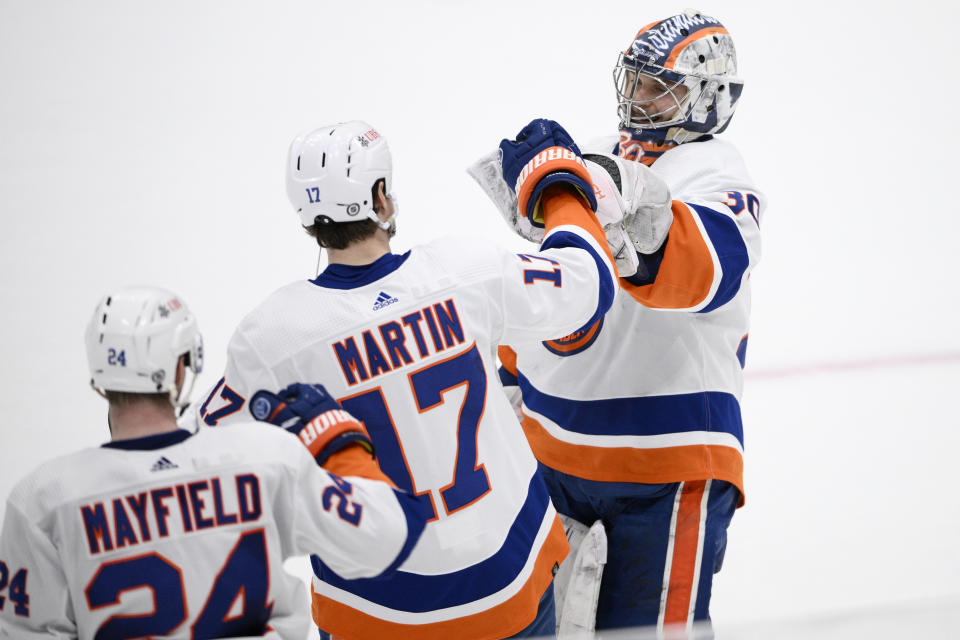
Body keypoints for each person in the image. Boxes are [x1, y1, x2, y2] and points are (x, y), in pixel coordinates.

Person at [189, 118, 620, 638]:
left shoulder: (274, 338)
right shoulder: (466, 271)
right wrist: (555, 186)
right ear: (381, 198)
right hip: (506, 584)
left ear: (307, 218)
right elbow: (586, 285)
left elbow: (203, 461)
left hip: (375, 612)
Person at [494, 10, 767, 636]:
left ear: (707, 97)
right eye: (636, 83)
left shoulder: (719, 174)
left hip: (663, 470)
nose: (639, 99)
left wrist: (590, 195)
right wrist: (511, 385)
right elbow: (552, 285)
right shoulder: (605, 167)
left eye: (658, 87)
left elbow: (695, 268)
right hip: (555, 456)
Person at [0, 286, 427, 639]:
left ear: (100, 377)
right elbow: (388, 537)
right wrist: (337, 443)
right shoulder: (260, 459)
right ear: (182, 367)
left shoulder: (43, 500)